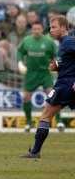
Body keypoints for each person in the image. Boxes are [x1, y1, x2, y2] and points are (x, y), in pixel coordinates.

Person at [22, 16, 75, 158]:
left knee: (45, 116)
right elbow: (69, 63)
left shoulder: (69, 42)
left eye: (54, 27)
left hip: (65, 85)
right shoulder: (63, 43)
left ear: (64, 28)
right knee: (46, 115)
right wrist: (57, 67)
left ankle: (35, 152)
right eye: (50, 27)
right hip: (67, 82)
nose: (51, 30)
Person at [17, 22, 64, 132]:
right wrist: (20, 62)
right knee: (26, 97)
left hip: (45, 73)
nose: (36, 31)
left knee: (53, 96)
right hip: (31, 73)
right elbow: (19, 52)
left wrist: (55, 65)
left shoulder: (49, 42)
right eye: (34, 29)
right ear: (32, 30)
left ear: (42, 30)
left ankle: (59, 121)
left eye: (38, 29)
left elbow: (56, 55)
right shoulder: (27, 41)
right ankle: (28, 123)